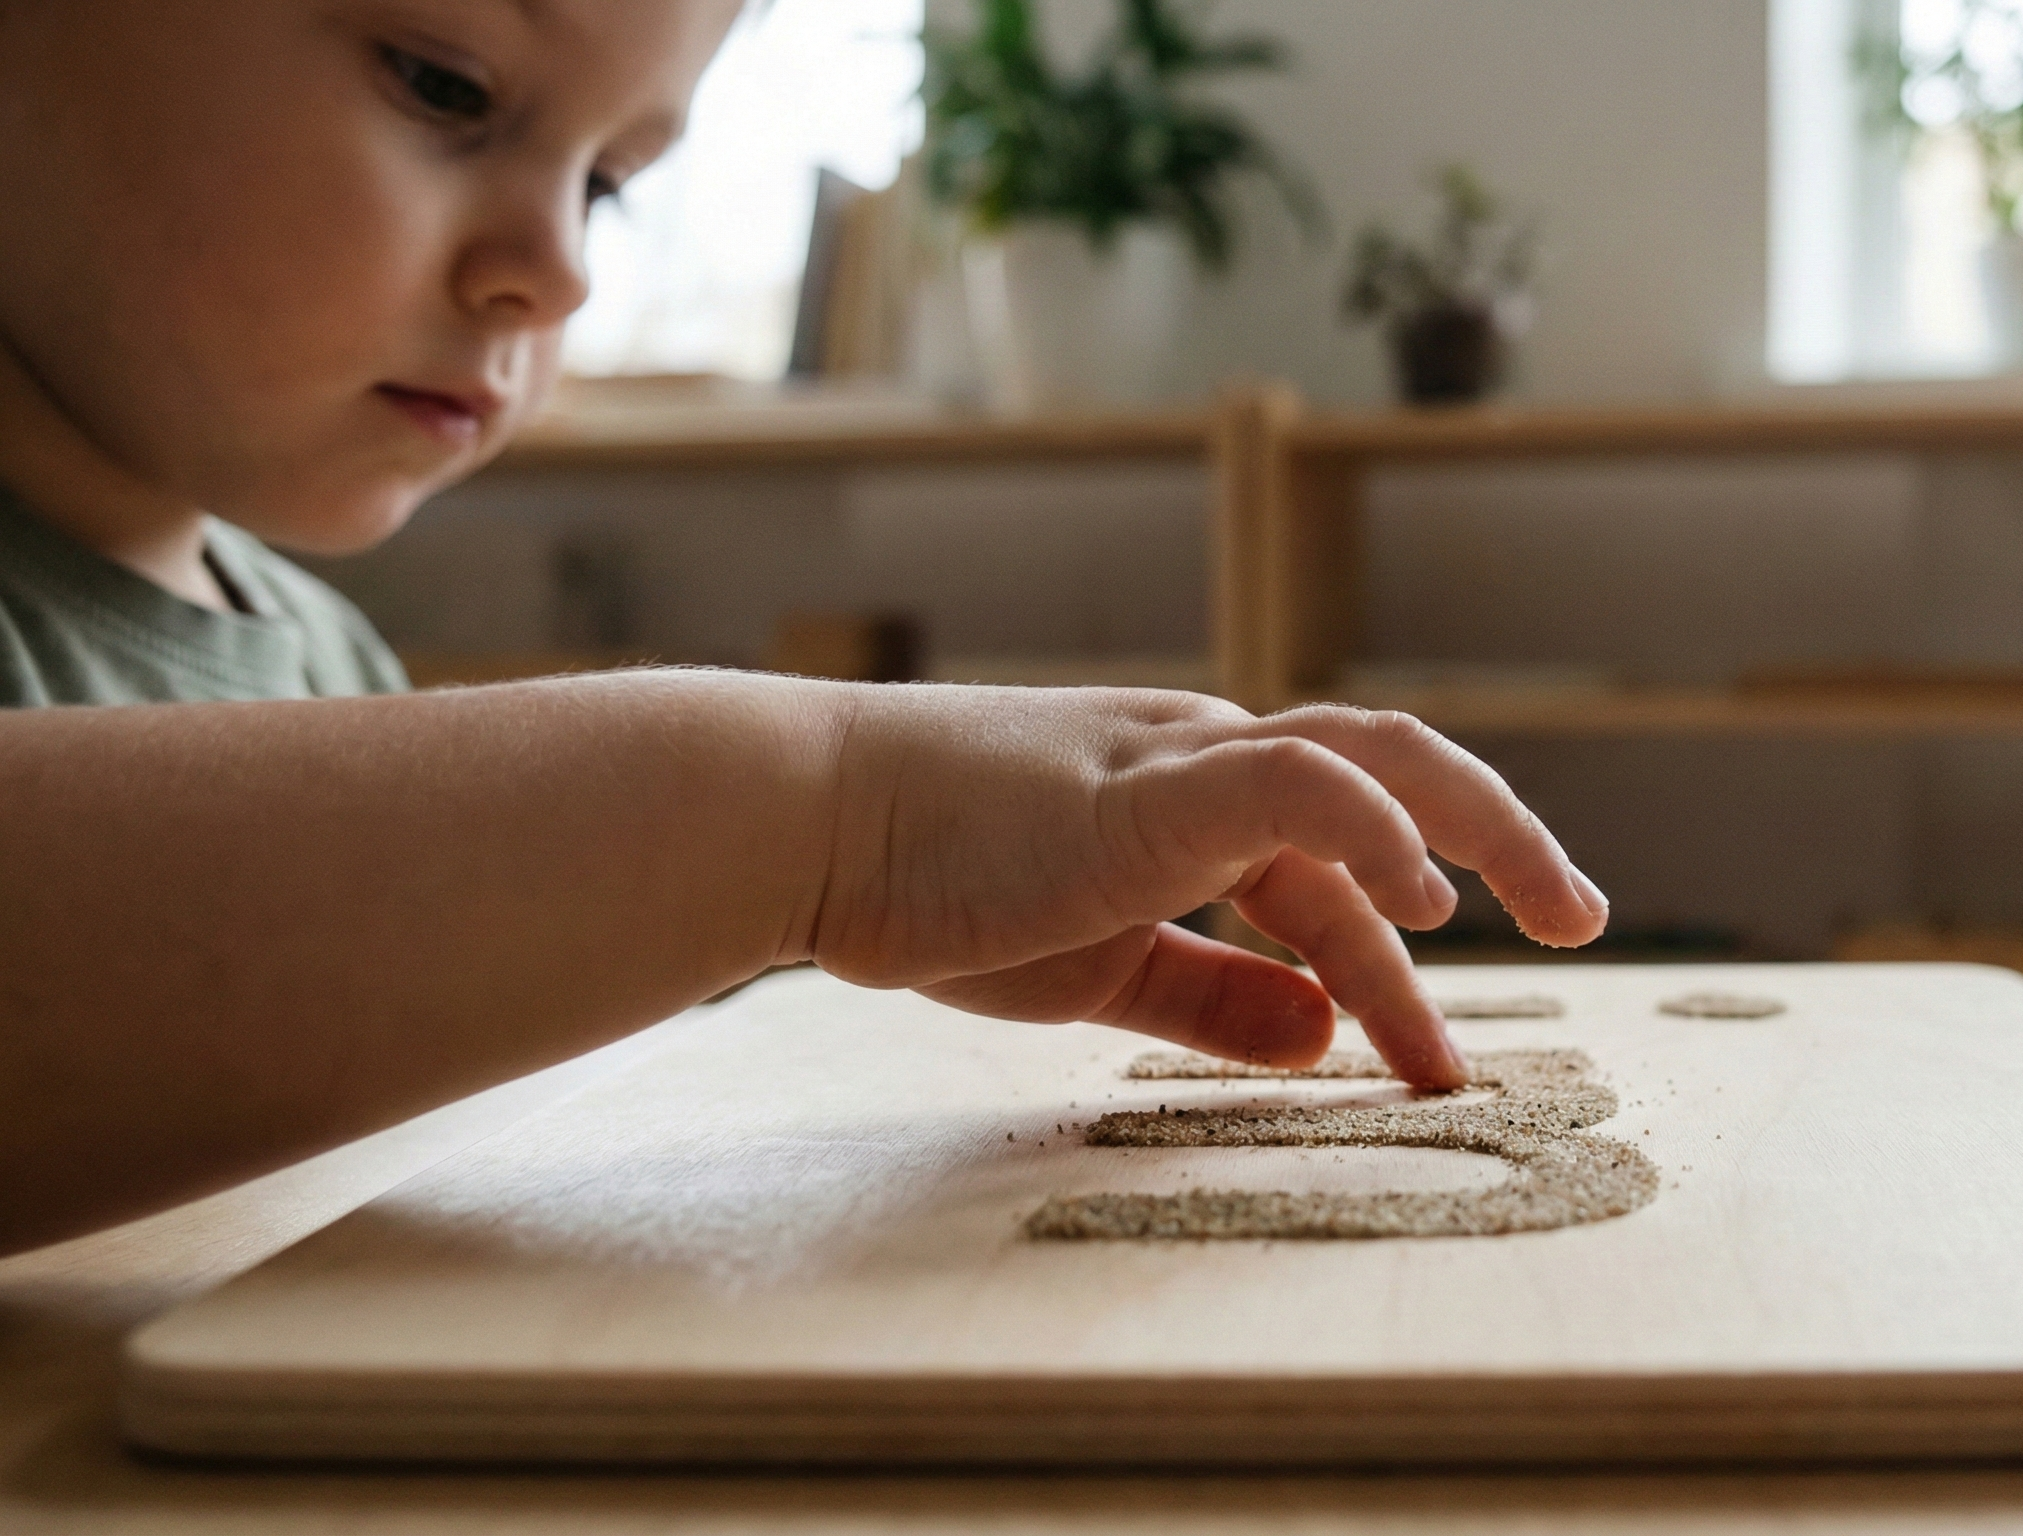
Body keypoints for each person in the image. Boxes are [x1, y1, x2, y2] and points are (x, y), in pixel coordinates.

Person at [0, 0, 1608, 1256]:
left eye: (612, 184)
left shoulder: (315, 661)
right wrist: (833, 820)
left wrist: (839, 896)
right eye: (443, 85)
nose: (557, 269)